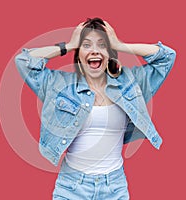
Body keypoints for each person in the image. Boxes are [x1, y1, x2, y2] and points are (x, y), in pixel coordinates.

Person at [15, 17, 176, 200]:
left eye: (102, 45)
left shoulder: (130, 82)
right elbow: (24, 60)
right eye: (86, 45)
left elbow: (167, 57)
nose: (94, 51)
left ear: (109, 53)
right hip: (72, 187)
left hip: (114, 187)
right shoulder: (60, 85)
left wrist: (119, 44)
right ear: (78, 54)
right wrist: (68, 45)